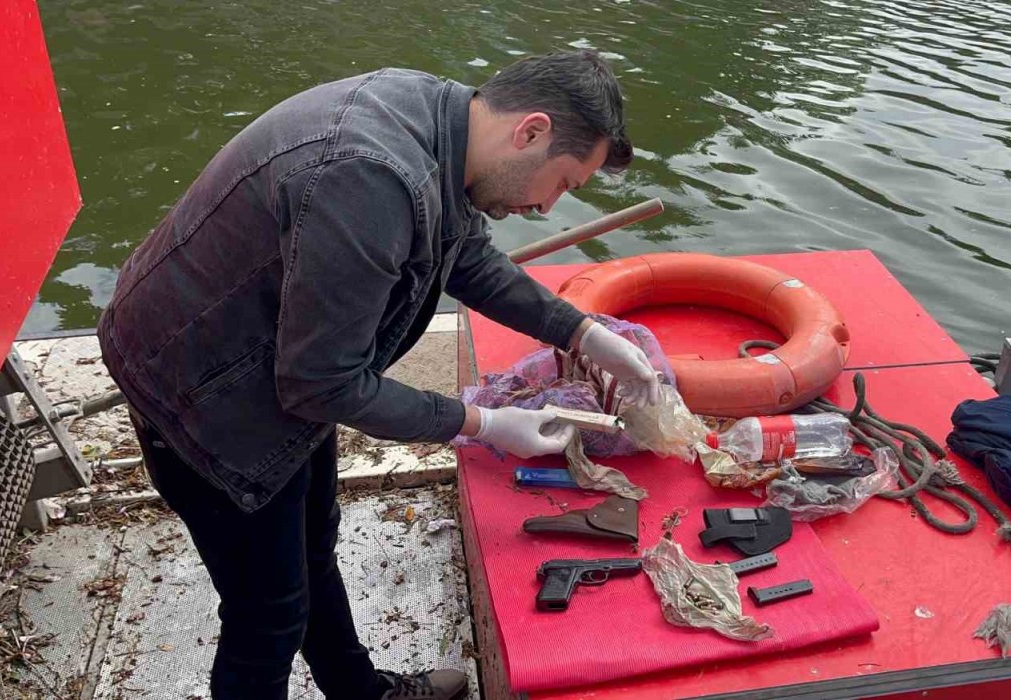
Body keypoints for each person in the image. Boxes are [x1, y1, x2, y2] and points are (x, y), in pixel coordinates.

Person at [97, 50, 659, 700]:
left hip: (273, 358)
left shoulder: (441, 118)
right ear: (529, 131)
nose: (547, 206)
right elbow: (321, 385)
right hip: (201, 392)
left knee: (313, 545)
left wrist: (581, 333)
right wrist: (484, 423)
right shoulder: (369, 175)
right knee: (267, 615)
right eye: (563, 182)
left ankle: (360, 691)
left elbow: (465, 254)